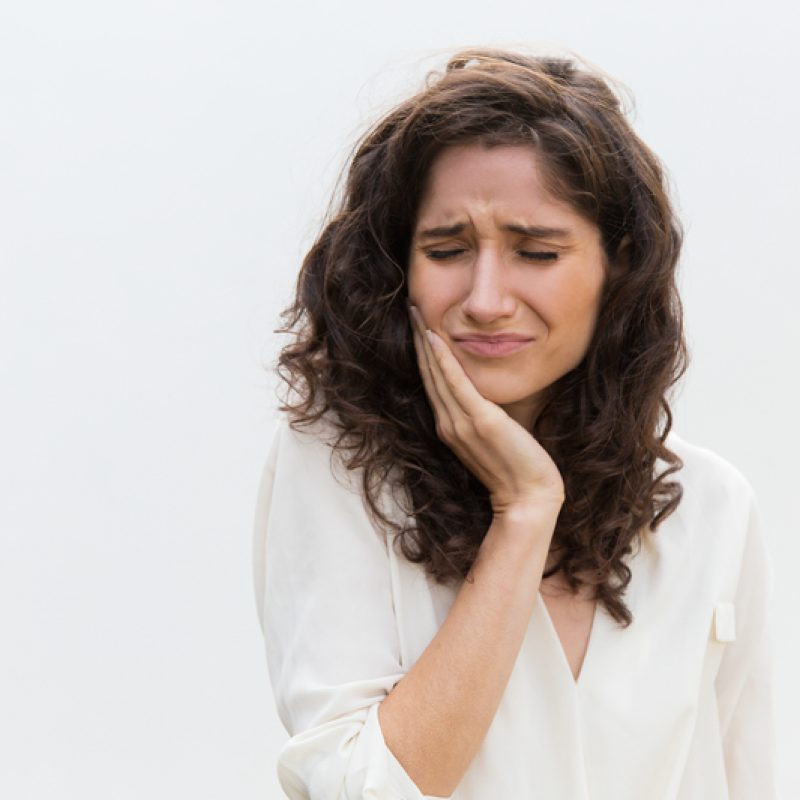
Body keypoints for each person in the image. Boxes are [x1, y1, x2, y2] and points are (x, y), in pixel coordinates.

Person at [252, 48, 776, 799]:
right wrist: (525, 511)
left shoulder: (714, 506)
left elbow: (743, 778)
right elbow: (363, 789)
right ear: (398, 267)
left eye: (536, 251)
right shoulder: (339, 469)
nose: (487, 298)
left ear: (618, 266)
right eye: (446, 249)